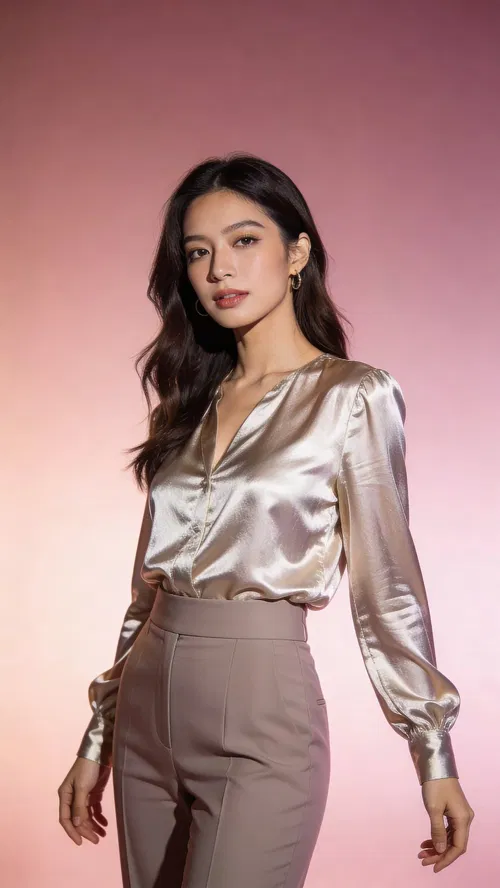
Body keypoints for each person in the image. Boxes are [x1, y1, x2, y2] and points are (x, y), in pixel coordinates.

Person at [58, 152, 474, 885]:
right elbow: (144, 595)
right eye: (198, 252)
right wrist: (99, 733)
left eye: (244, 240)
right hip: (147, 711)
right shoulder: (188, 403)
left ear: (298, 253)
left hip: (260, 707)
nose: (220, 268)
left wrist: (432, 751)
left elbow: (388, 587)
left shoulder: (353, 398)